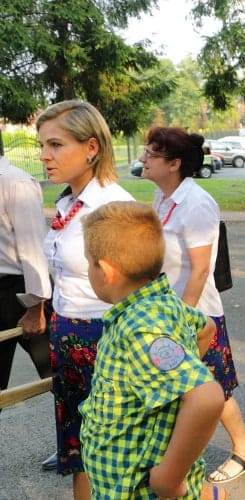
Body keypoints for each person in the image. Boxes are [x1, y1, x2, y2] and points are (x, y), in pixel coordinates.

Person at [78, 201, 227, 500]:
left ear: (106, 270)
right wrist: (172, 388)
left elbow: (207, 397)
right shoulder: (160, 302)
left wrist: (168, 480)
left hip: (137, 488)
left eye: (88, 262)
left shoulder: (140, 330)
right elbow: (206, 327)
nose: (87, 270)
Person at [140, 126, 245, 485]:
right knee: (180, 390)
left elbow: (200, 269)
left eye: (151, 154)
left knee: (213, 389)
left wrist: (181, 321)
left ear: (174, 163)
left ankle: (243, 451)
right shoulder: (162, 198)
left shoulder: (196, 202)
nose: (142, 158)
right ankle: (180, 457)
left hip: (196, 316)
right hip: (166, 311)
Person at [38, 100, 135, 498]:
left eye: (56, 145)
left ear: (91, 148)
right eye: (42, 144)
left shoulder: (116, 209)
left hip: (107, 344)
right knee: (80, 449)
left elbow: (141, 295)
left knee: (116, 455)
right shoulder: (68, 203)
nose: (45, 155)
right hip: (68, 338)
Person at [0, 155, 54, 406]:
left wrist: (36, 307)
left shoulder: (15, 183)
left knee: (58, 377)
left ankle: (80, 443)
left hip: (20, 292)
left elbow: (34, 249)